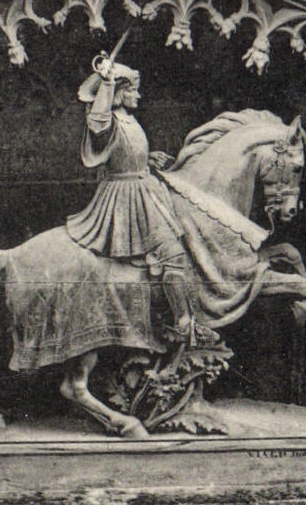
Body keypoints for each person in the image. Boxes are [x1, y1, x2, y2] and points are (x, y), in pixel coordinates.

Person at [64, 49, 214, 346]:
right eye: (133, 90)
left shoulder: (129, 120)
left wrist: (147, 159)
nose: (139, 95)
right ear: (118, 93)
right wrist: (106, 84)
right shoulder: (108, 119)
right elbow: (97, 123)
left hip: (145, 187)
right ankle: (183, 323)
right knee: (172, 255)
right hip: (127, 197)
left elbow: (126, 152)